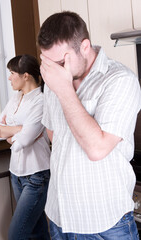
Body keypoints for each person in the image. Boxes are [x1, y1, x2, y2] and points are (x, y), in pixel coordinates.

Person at [37, 11, 141, 239]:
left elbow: (96, 149)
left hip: (105, 222)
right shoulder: (55, 78)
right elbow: (54, 134)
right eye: (48, 63)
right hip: (59, 215)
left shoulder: (119, 80)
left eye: (61, 62)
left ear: (84, 46)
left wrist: (63, 89)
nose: (54, 71)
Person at [0, 54, 50, 240]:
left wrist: (10, 133)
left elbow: (23, 142)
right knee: (36, 231)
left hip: (36, 175)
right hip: (16, 173)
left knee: (16, 234)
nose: (9, 78)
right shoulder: (16, 97)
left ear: (26, 75)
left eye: (12, 73)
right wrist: (19, 130)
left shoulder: (41, 101)